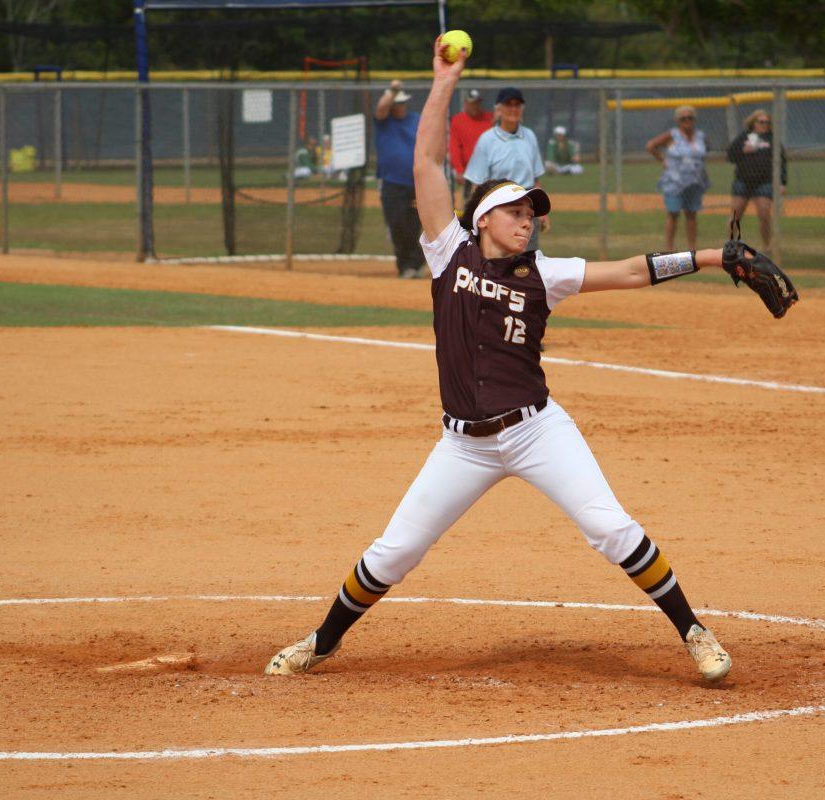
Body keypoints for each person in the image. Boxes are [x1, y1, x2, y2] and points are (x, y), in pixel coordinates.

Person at [264, 35, 737, 685]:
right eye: (516, 212)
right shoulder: (448, 253)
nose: (528, 220)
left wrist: (710, 257)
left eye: (532, 213)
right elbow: (428, 165)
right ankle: (321, 641)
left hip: (537, 430)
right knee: (395, 550)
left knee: (609, 527)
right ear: (484, 219)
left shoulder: (546, 272)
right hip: (463, 445)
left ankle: (694, 631)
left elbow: (630, 271)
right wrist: (443, 81)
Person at [463, 86, 548, 252]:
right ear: (499, 110)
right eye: (508, 105)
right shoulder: (487, 140)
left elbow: (536, 178)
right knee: (500, 253)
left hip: (526, 199)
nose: (513, 109)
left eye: (517, 105)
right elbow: (477, 184)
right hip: (499, 202)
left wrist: (543, 213)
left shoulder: (529, 136)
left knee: (528, 253)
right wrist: (473, 215)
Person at [374, 79, 425, 279]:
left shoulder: (416, 120)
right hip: (392, 183)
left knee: (413, 225)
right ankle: (405, 265)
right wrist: (394, 90)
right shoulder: (384, 122)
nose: (400, 107)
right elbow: (380, 108)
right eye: (397, 104)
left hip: (416, 183)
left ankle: (413, 264)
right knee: (396, 224)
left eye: (402, 103)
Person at [647, 105, 708, 251]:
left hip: (694, 181)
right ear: (678, 120)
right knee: (673, 213)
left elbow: (704, 151)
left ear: (694, 119)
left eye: (690, 117)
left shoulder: (700, 136)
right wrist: (663, 160)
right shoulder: (672, 135)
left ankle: (692, 249)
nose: (687, 120)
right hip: (675, 182)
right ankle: (669, 249)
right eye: (683, 118)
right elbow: (651, 146)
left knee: (691, 214)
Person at [726, 109, 785, 251]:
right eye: (761, 122)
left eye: (767, 122)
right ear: (753, 123)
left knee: (764, 214)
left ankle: (767, 246)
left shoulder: (772, 139)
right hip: (743, 181)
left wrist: (782, 182)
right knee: (736, 214)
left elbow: (782, 161)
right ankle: (731, 244)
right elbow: (730, 156)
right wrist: (742, 151)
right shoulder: (744, 137)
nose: (765, 124)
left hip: (764, 182)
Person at [449, 88, 494, 202]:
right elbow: (454, 146)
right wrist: (459, 169)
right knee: (471, 205)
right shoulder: (457, 120)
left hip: (490, 172)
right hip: (469, 173)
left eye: (477, 103)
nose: (475, 106)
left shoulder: (490, 118)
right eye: (472, 103)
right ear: (466, 103)